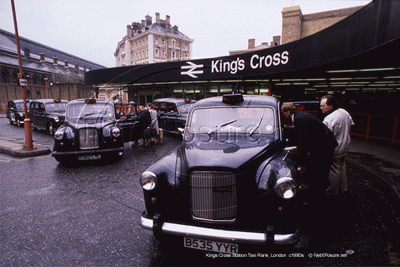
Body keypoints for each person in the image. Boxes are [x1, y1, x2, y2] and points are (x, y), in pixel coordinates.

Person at [281, 102, 338, 249]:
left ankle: (318, 197)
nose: (283, 116)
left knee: (320, 171)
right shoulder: (300, 116)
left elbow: (306, 137)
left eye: (283, 113)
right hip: (325, 145)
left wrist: (303, 155)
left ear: (287, 112)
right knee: (319, 171)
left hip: (325, 147)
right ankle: (319, 191)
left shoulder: (299, 119)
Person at [320, 95, 354, 196]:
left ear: (330, 105)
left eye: (323, 106)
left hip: (335, 148)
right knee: (342, 166)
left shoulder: (328, 119)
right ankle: (344, 188)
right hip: (345, 145)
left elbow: (325, 137)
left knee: (334, 170)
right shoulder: (344, 112)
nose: (321, 108)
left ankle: (332, 191)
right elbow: (351, 125)